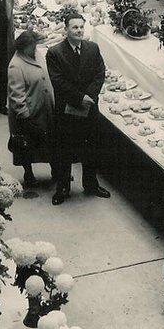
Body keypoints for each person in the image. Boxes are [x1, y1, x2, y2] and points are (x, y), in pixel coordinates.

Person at [46, 13, 109, 205]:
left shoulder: (93, 48)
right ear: (66, 29)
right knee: (65, 150)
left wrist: (90, 96)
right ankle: (63, 187)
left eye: (81, 27)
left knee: (92, 147)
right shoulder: (55, 53)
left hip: (89, 108)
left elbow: (100, 73)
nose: (79, 30)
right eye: (74, 27)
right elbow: (58, 82)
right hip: (68, 109)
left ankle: (91, 184)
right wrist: (80, 98)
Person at [7, 29, 55, 189]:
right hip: (30, 114)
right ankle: (29, 174)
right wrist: (25, 116)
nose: (35, 48)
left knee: (49, 143)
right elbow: (16, 96)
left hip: (44, 110)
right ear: (23, 47)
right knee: (27, 145)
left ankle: (56, 171)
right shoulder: (16, 65)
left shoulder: (35, 54)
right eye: (32, 46)